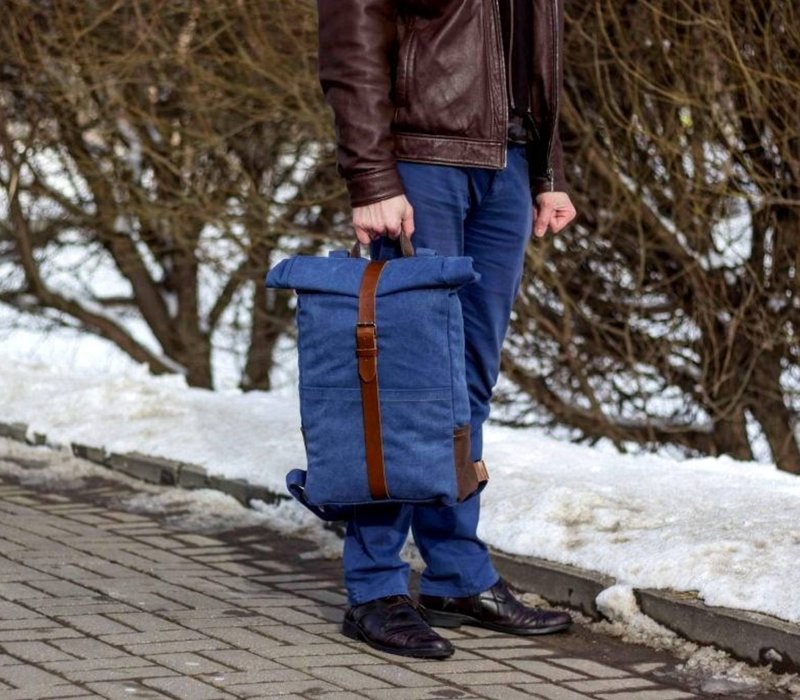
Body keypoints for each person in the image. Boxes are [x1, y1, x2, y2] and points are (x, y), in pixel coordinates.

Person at [316, 0, 577, 659]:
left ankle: (457, 573)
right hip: (421, 161)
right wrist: (371, 176)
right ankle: (375, 586)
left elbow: (536, 52)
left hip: (508, 165)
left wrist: (546, 170)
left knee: (469, 380)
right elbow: (352, 42)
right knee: (407, 382)